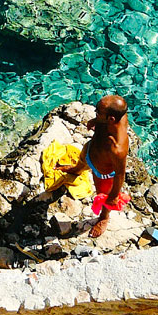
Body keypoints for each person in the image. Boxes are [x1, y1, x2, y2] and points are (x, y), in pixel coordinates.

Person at [55, 95, 129, 238]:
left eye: (98, 112)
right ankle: (76, 170)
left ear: (111, 119)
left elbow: (120, 174)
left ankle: (104, 218)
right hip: (90, 151)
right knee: (81, 162)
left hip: (102, 172)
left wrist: (113, 196)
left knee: (103, 197)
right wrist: (97, 120)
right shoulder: (116, 115)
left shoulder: (117, 148)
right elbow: (110, 113)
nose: (95, 112)